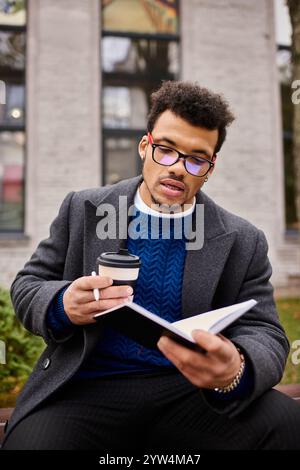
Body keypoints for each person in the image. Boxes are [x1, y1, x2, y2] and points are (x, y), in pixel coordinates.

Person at [2, 81, 300, 451]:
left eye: (196, 158)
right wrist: (62, 303)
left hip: (190, 392)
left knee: (288, 424)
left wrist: (235, 368)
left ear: (210, 166)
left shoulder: (242, 239)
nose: (177, 168)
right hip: (85, 389)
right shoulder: (84, 209)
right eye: (166, 150)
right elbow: (28, 285)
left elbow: (265, 331)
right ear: (146, 146)